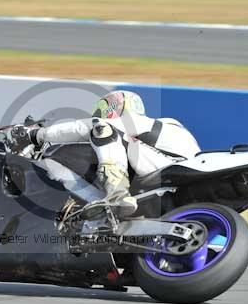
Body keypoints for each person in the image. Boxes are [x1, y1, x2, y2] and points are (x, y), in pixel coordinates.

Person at [15, 90, 201, 218]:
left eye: (103, 107)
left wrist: (37, 135)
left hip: (167, 169)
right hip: (176, 177)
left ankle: (116, 193)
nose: (99, 113)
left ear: (117, 105)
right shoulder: (161, 129)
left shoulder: (137, 121)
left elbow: (84, 127)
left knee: (101, 129)